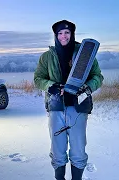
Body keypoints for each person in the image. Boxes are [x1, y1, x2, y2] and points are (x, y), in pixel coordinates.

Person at [34, 20, 104, 180]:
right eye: (60, 33)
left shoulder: (85, 54)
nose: (63, 36)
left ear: (72, 34)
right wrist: (50, 85)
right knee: (57, 149)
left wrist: (87, 87)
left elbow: (98, 77)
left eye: (67, 32)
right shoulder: (47, 57)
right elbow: (38, 79)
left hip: (78, 108)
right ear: (55, 35)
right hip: (56, 107)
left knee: (78, 149)